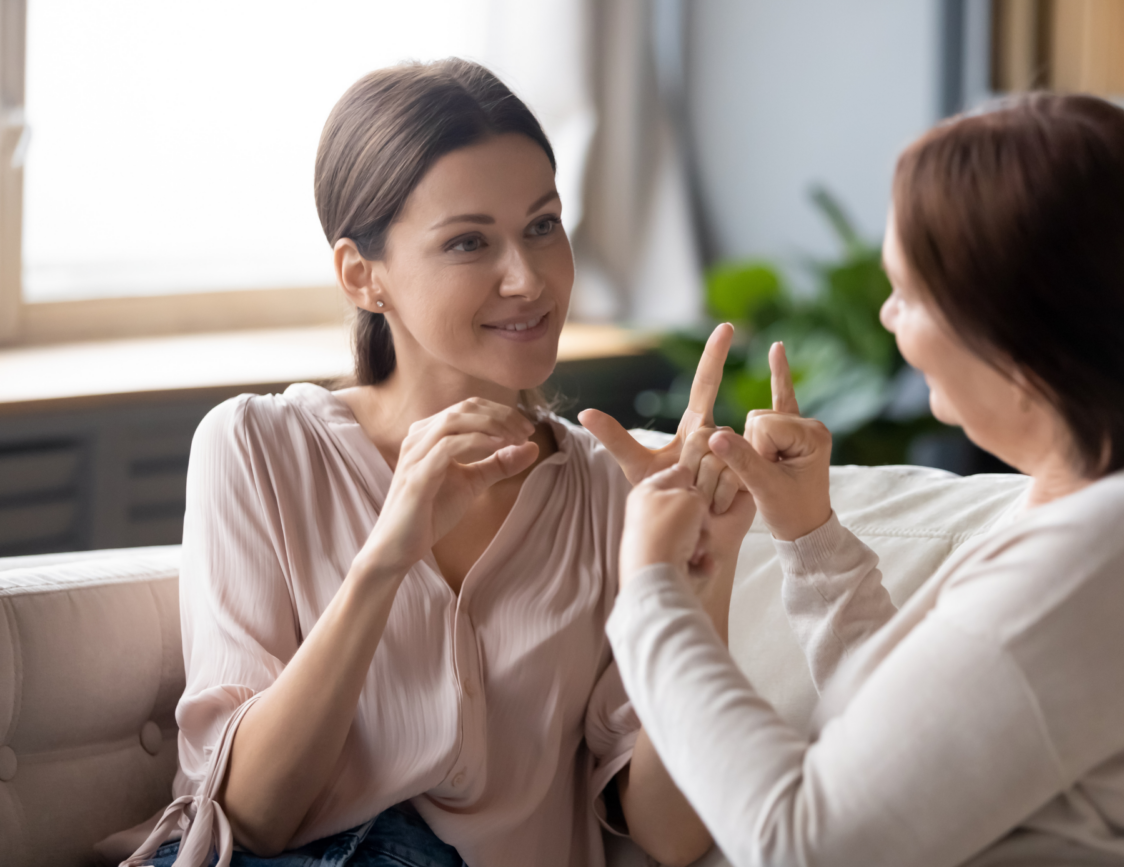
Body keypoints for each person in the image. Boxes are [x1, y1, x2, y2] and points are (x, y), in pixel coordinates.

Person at [604, 93, 1124, 867]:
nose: (888, 320)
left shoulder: (1106, 563)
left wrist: (650, 593)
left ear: (1021, 341)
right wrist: (810, 536)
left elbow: (805, 843)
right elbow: (910, 732)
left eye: (908, 295)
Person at [122, 59, 741, 867]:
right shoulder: (258, 446)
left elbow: (671, 832)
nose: (527, 278)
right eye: (467, 242)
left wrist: (699, 585)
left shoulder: (607, 490)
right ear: (361, 275)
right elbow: (252, 815)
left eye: (543, 225)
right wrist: (388, 553)